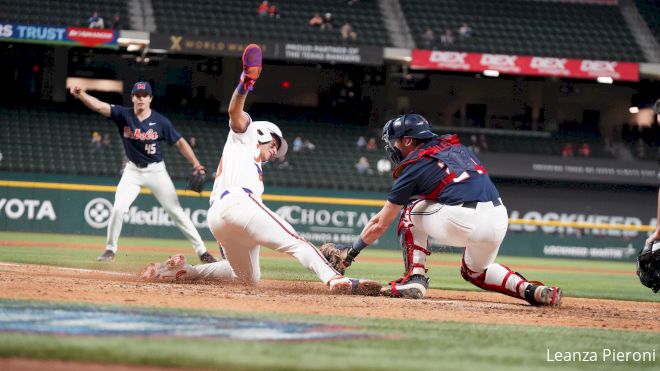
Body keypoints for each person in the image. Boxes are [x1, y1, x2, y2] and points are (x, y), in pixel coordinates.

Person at [141, 44, 380, 295]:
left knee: (246, 279)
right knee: (295, 242)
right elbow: (235, 111)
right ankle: (335, 279)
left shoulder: (250, 157)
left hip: (219, 217)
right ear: (264, 133)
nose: (276, 151)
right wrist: (245, 82)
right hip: (239, 204)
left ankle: (180, 271)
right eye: (275, 144)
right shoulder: (248, 132)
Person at [337, 113, 561, 305]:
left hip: (462, 218)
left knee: (410, 211)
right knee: (475, 272)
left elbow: (380, 223)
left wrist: (352, 253)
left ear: (407, 140)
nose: (393, 146)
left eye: (395, 141)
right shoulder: (456, 147)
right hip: (498, 218)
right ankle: (532, 291)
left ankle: (415, 278)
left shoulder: (414, 165)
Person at [69, 81, 217, 264]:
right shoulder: (123, 114)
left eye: (144, 95)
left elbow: (179, 142)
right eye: (137, 96)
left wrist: (196, 164)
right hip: (132, 171)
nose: (141, 99)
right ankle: (110, 249)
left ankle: (202, 251)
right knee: (118, 209)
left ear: (150, 99)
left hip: (156, 171)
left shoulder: (161, 121)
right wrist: (81, 94)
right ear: (132, 98)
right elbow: (99, 106)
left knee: (176, 211)